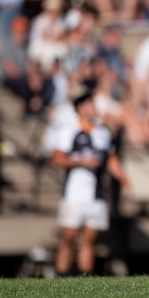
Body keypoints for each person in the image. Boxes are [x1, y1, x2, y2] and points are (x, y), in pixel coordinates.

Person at [50, 92, 131, 276]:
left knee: (90, 238)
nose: (94, 108)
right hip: (74, 193)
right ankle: (62, 275)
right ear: (80, 108)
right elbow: (56, 159)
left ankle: (84, 278)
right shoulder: (69, 130)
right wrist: (80, 162)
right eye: (90, 104)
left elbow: (111, 159)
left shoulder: (102, 133)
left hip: (97, 193)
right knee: (69, 236)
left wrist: (124, 180)